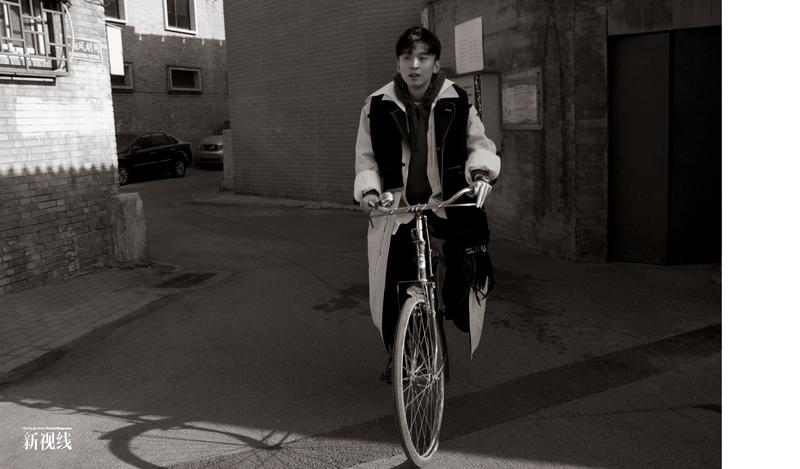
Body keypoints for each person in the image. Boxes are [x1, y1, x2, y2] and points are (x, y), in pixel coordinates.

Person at [354, 26, 501, 382]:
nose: (414, 65)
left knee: (468, 261)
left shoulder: (457, 100)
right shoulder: (377, 104)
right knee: (394, 282)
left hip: (445, 202)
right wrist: (369, 192)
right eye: (407, 57)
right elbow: (366, 157)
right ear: (398, 63)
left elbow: (478, 143)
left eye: (423, 57)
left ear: (435, 64)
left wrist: (482, 174)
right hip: (398, 207)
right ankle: (399, 352)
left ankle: (451, 309)